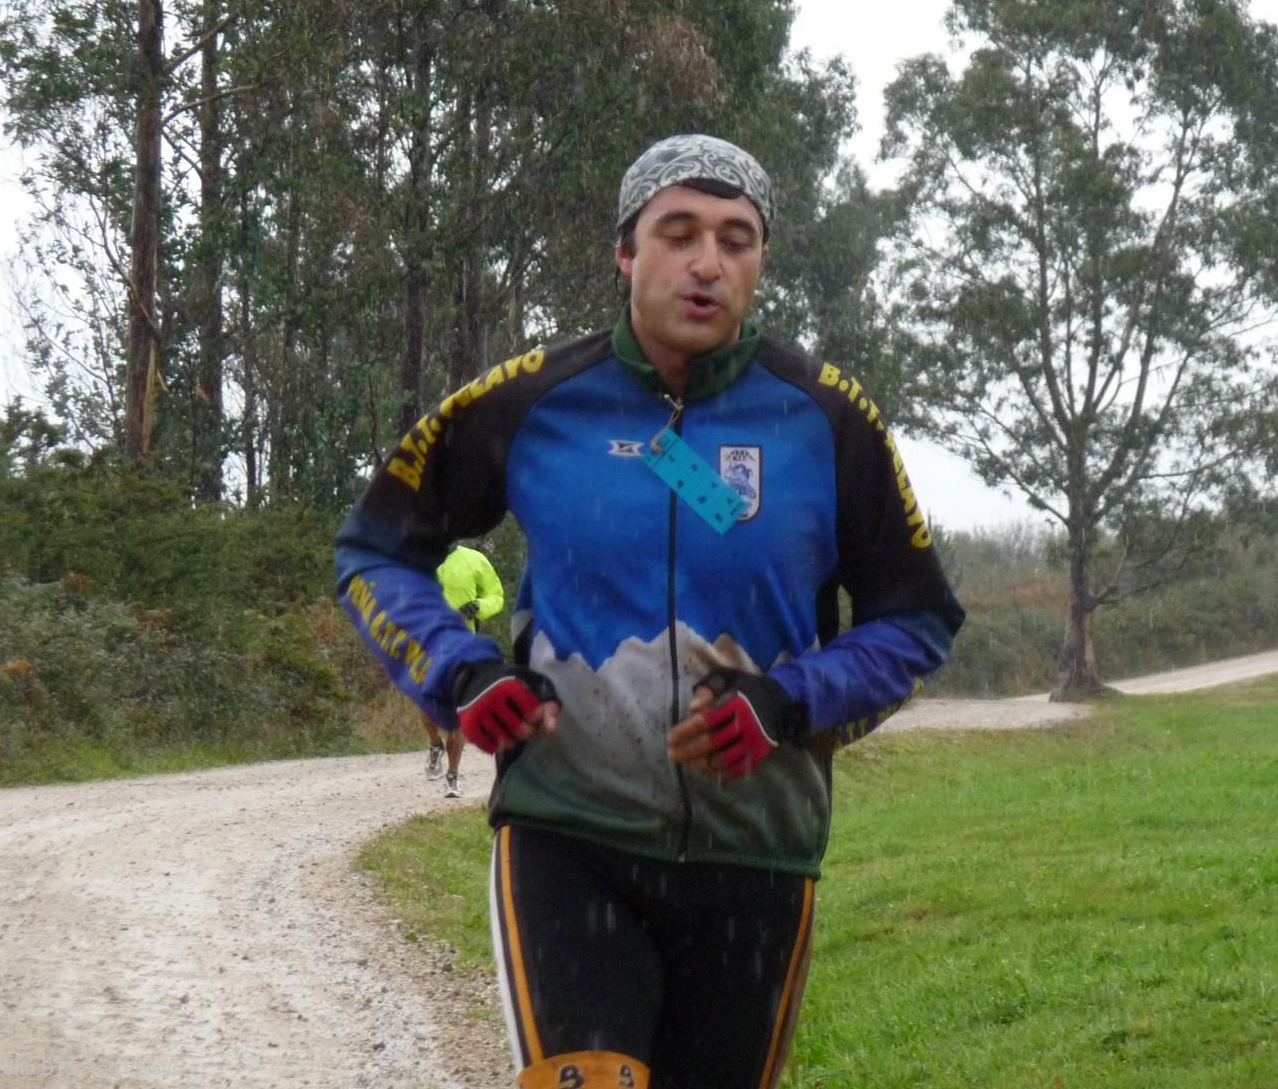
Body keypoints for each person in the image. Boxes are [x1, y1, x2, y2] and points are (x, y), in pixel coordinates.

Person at [335, 134, 964, 1089]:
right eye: (679, 234)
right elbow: (376, 550)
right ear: (626, 253)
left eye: (736, 239)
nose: (707, 262)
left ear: (760, 261)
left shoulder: (827, 418)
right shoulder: (535, 400)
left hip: (758, 853)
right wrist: (460, 672)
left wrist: (789, 702)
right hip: (567, 838)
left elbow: (916, 619)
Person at [419, 543, 504, 797]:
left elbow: (496, 596)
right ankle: (435, 744)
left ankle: (452, 776)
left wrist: (478, 606)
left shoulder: (474, 559)